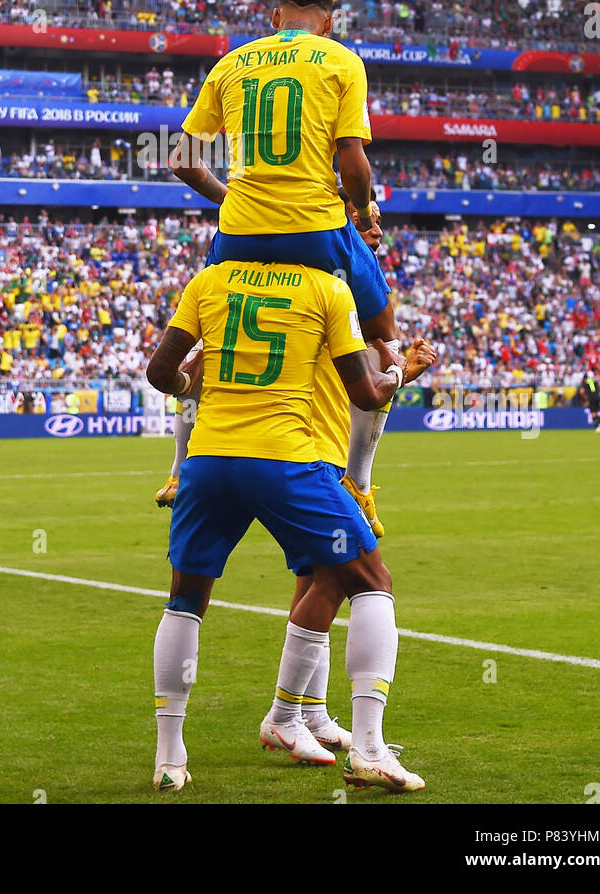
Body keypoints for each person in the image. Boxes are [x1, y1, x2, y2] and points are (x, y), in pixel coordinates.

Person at [146, 255, 437, 793]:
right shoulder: (328, 286)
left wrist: (195, 386)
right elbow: (369, 394)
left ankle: (170, 756)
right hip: (287, 458)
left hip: (210, 459)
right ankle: (369, 749)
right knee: (371, 580)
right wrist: (404, 372)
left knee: (184, 599)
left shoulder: (211, 278)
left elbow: (162, 375)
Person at [163, 0, 401, 530]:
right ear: (329, 21)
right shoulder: (341, 61)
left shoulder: (231, 63)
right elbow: (352, 160)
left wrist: (233, 197)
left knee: (205, 339)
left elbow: (182, 159)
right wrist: (364, 215)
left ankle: (179, 468)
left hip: (241, 230)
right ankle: (359, 482)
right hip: (314, 229)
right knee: (384, 334)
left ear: (276, 16)